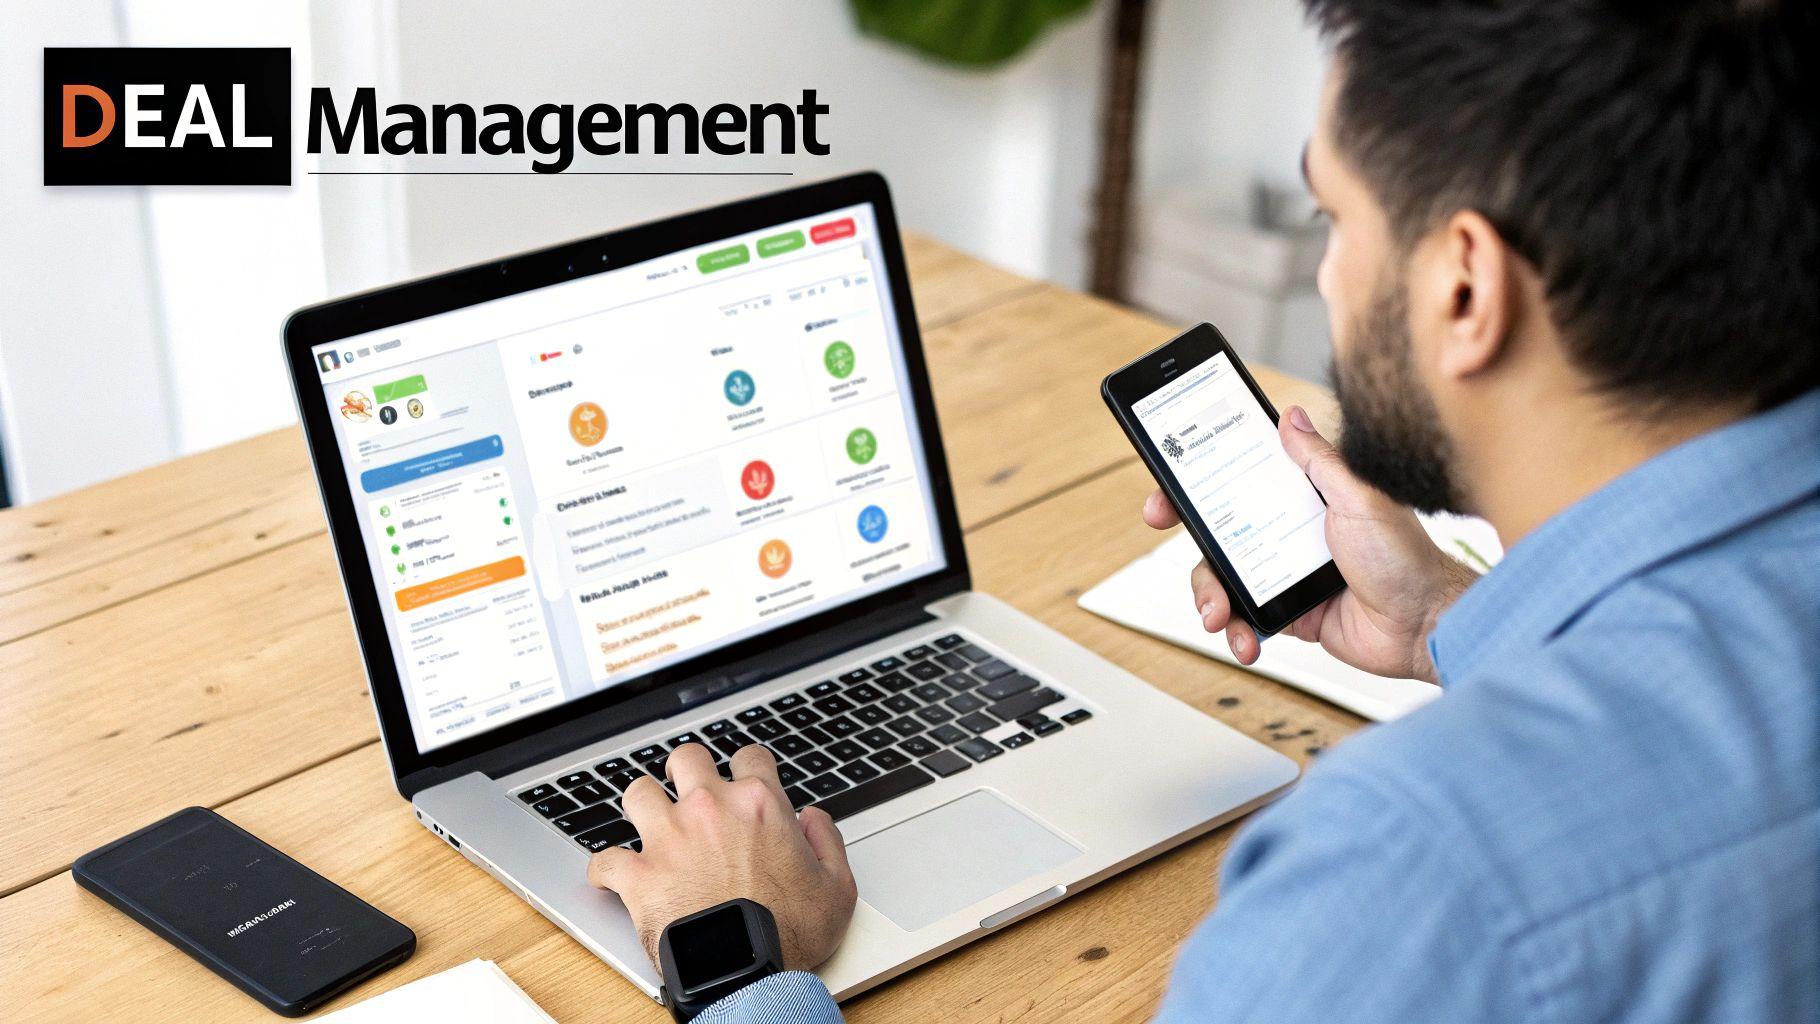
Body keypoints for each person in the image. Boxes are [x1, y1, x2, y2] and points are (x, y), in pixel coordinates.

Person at [585, 1, 1820, 1019]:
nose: (1329, 270)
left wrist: (743, 961)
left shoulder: (1404, 878)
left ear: (1462, 288)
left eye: (1333, 217)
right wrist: (1455, 615)